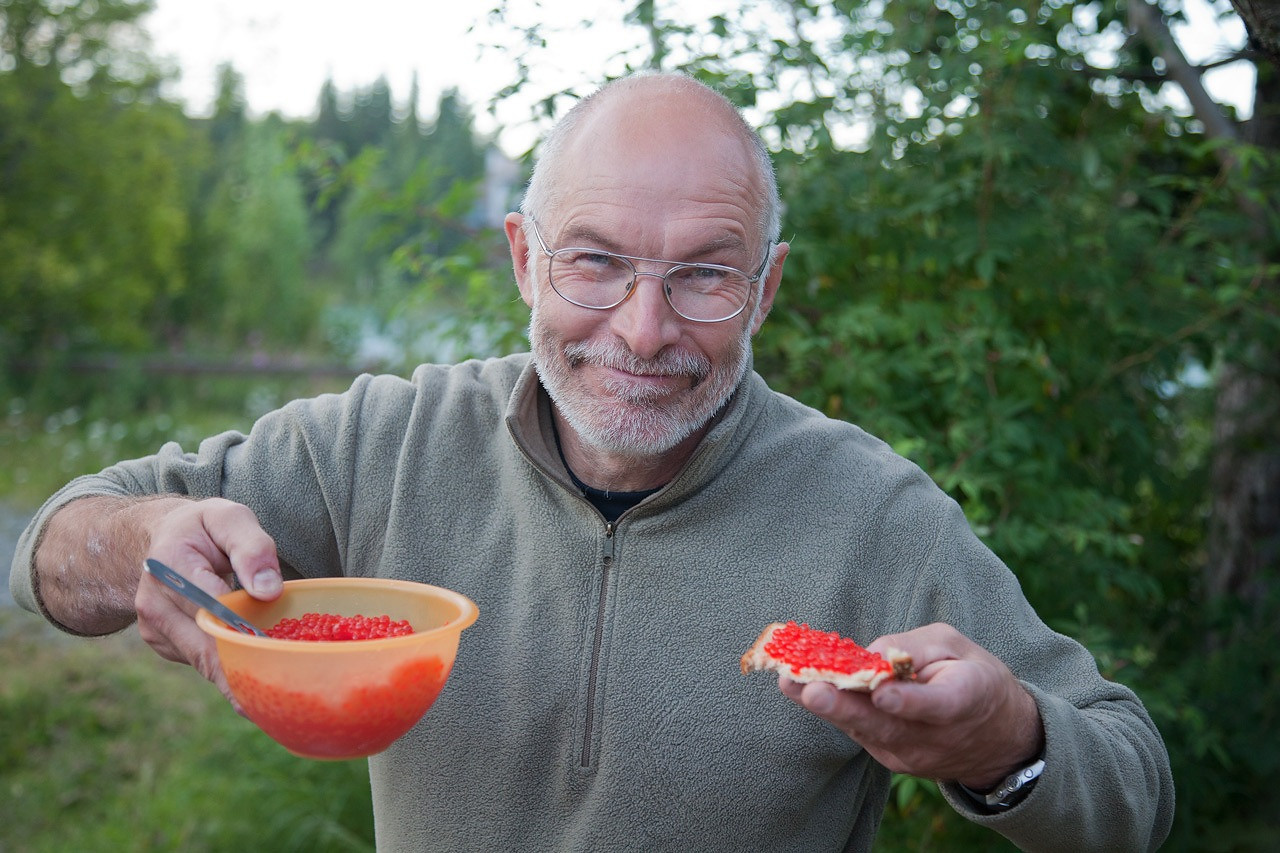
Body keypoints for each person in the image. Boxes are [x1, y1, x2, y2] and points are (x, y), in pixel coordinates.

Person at [10, 72, 1173, 851]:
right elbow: (54, 547)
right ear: (521, 259)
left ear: (764, 287)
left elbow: (1131, 783)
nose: (642, 330)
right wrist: (140, 545)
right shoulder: (379, 442)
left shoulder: (872, 513)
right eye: (593, 262)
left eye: (704, 275)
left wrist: (1006, 744)